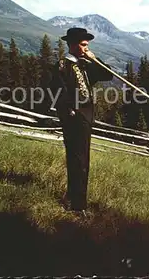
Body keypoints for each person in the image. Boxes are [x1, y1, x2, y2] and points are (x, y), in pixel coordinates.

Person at [50, 27, 113, 214]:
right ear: (72, 45)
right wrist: (70, 111)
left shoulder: (86, 65)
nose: (86, 47)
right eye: (83, 44)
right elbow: (57, 91)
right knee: (78, 160)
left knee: (83, 160)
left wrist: (95, 59)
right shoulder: (63, 65)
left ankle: (76, 199)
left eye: (87, 44)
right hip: (74, 118)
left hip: (86, 117)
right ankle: (77, 205)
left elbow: (107, 75)